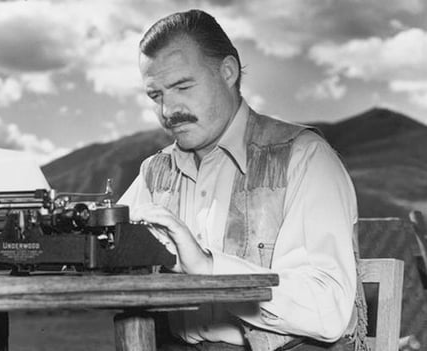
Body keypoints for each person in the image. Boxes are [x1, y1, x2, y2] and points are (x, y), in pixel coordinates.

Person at [118, 9, 367, 351]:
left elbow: (329, 311)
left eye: (182, 86)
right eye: (155, 95)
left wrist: (209, 269)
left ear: (228, 72)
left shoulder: (304, 157)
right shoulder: (155, 171)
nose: (168, 110)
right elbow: (105, 250)